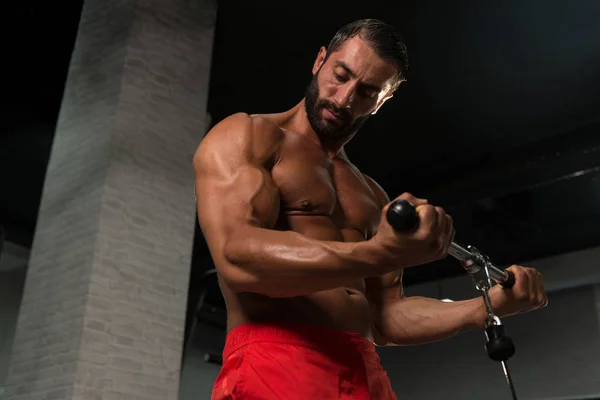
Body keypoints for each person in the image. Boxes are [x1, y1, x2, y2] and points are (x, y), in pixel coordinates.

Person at [194, 18, 548, 400]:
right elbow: (239, 258)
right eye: (340, 75)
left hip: (363, 370)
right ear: (319, 61)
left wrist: (483, 308)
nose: (344, 99)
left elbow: (386, 318)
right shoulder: (249, 137)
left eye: (366, 91)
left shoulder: (372, 193)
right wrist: (378, 252)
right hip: (274, 358)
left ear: (384, 100)